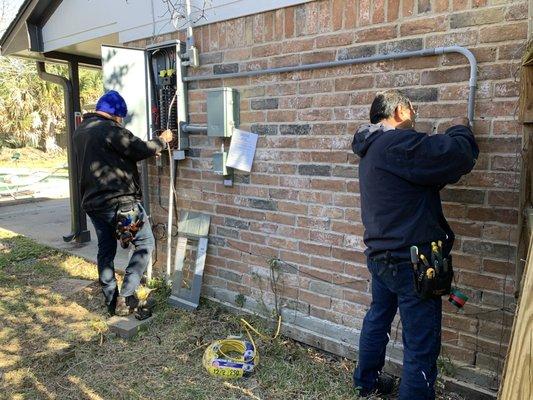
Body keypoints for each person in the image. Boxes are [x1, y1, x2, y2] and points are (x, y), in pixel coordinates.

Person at [351, 90, 479, 399]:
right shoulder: (396, 142)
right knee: (421, 344)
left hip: (382, 256)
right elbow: (455, 154)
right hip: (415, 260)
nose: (415, 118)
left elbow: (421, 179)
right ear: (397, 113)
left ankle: (365, 383)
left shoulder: (371, 147)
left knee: (378, 317)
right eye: (412, 111)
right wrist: (461, 128)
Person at [73, 90, 173, 316]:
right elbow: (138, 149)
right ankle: (127, 297)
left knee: (105, 251)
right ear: (116, 115)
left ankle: (111, 301)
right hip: (121, 204)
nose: (121, 121)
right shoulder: (111, 130)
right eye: (121, 117)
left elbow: (110, 155)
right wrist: (162, 140)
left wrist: (134, 154)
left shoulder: (82, 131)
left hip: (93, 203)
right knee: (145, 243)